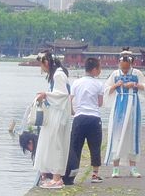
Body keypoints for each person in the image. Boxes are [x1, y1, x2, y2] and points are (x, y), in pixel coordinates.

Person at [104, 50, 145, 178]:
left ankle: (133, 167)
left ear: (131, 64)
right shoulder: (115, 74)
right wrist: (115, 85)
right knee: (116, 134)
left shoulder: (137, 73)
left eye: (126, 68)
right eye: (122, 68)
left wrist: (136, 85)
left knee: (132, 135)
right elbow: (105, 89)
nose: (124, 70)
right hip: (119, 106)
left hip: (133, 106)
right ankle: (115, 167)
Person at [33, 52, 72, 189]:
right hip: (55, 113)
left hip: (58, 114)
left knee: (56, 145)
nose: (41, 67)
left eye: (41, 64)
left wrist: (46, 95)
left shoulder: (58, 75)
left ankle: (57, 178)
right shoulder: (56, 75)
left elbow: (63, 95)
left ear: (46, 63)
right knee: (52, 143)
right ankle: (52, 175)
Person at [63, 57, 105, 185]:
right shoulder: (99, 84)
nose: (100, 71)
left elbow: (69, 99)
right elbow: (100, 103)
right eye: (99, 68)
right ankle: (95, 174)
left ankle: (71, 175)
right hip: (93, 118)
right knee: (95, 146)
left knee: (75, 147)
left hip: (79, 118)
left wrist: (72, 111)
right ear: (94, 69)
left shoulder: (76, 82)